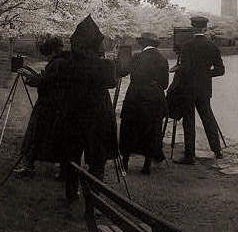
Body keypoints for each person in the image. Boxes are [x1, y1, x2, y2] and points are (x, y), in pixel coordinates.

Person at [33, 15, 118, 204]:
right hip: (98, 117)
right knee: (97, 159)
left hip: (72, 115)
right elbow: (112, 83)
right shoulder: (104, 65)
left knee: (71, 156)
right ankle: (94, 197)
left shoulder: (66, 63)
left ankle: (71, 194)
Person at [174, 16, 225, 164]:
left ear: (192, 27)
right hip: (204, 89)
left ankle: (189, 156)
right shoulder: (212, 46)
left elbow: (185, 69)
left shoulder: (187, 46)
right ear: (206, 28)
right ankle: (217, 151)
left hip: (188, 89)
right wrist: (205, 74)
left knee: (189, 121)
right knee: (208, 119)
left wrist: (179, 70)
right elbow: (220, 70)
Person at [14, 36, 65, 177]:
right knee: (53, 136)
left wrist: (31, 77)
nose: (47, 57)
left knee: (35, 134)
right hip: (56, 105)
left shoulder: (57, 63)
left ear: (53, 51)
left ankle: (29, 166)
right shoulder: (62, 62)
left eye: (48, 54)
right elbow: (48, 81)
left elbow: (47, 83)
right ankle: (61, 169)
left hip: (48, 105)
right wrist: (35, 78)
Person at [119, 32, 169, 175]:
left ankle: (125, 163)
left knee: (130, 128)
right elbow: (164, 84)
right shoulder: (162, 59)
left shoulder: (136, 57)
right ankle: (146, 166)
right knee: (151, 129)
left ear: (143, 44)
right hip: (154, 97)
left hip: (135, 96)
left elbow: (122, 71)